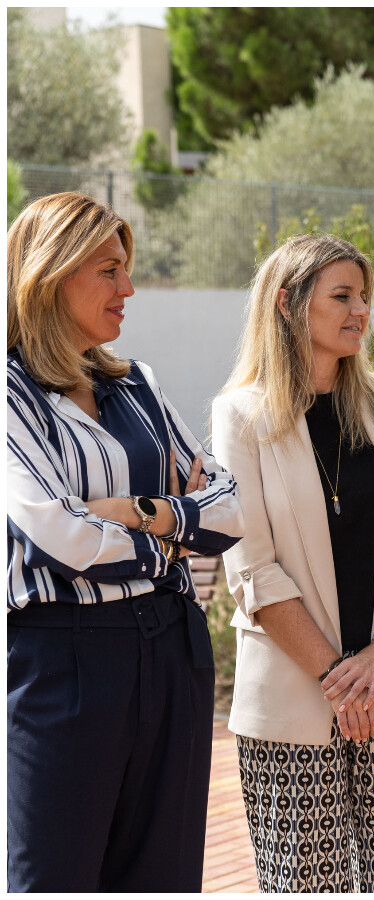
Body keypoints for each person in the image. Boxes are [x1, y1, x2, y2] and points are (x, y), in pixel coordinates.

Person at [6, 192, 246, 891]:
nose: (129, 288)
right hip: (66, 658)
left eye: (126, 268)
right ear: (52, 274)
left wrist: (143, 511)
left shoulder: (138, 384)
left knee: (163, 878)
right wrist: (179, 529)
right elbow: (61, 538)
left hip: (174, 646)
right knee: (54, 876)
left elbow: (230, 511)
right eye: (110, 269)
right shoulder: (8, 394)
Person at [212, 234, 374, 892]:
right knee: (303, 886)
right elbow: (251, 570)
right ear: (288, 304)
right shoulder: (239, 416)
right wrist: (339, 680)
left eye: (365, 298)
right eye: (341, 296)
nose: (360, 311)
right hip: (292, 701)